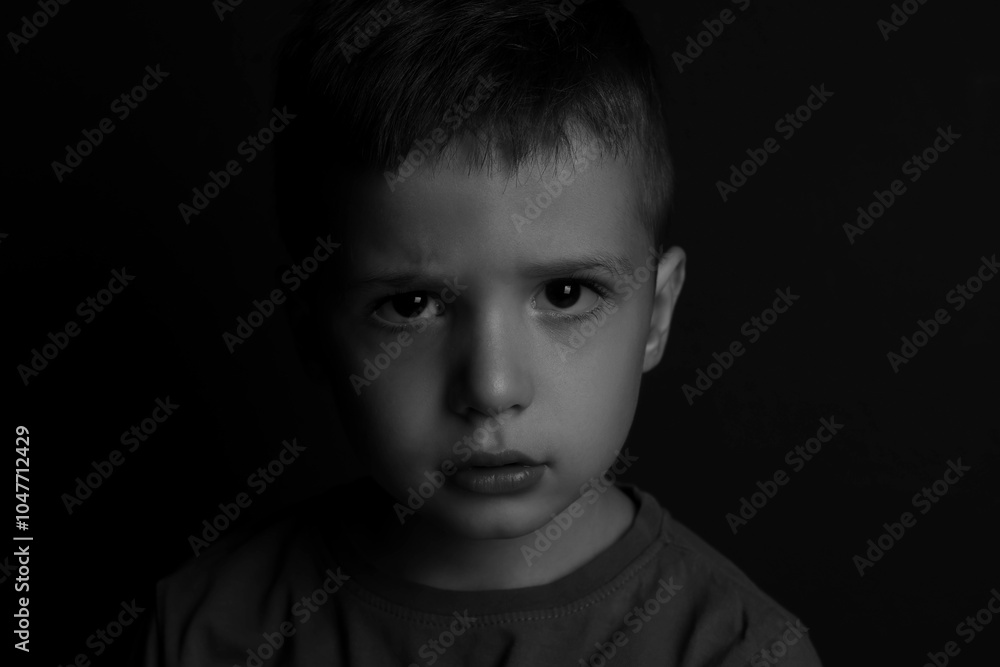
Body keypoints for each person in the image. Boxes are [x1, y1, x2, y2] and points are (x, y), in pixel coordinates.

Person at [135, 0, 822, 664]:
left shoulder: (735, 652)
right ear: (312, 333)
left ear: (657, 313)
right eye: (410, 305)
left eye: (565, 294)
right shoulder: (206, 633)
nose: (492, 388)